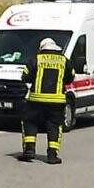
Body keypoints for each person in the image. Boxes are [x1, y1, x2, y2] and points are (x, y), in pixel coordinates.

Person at [20, 37, 74, 165]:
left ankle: (29, 150)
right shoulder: (64, 60)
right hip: (57, 101)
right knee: (54, 126)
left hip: (36, 99)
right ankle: (52, 155)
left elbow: (25, 76)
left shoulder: (36, 59)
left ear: (41, 48)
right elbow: (71, 77)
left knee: (30, 123)